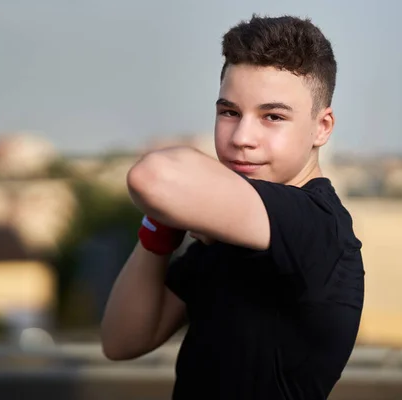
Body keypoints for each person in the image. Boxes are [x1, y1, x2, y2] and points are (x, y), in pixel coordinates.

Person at [101, 14, 364, 400]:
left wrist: (180, 201)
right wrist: (162, 229)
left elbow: (153, 177)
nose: (242, 137)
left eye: (272, 117)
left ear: (322, 127)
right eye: (229, 112)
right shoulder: (229, 237)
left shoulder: (315, 224)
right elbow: (122, 341)